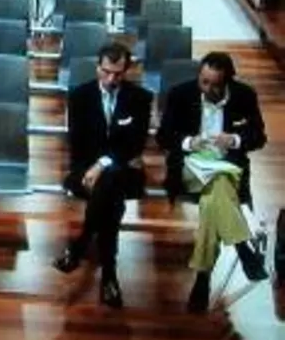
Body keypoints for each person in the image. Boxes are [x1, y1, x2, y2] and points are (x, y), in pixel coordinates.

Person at [157, 52, 268, 314]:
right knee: (219, 187)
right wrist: (188, 142)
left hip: (227, 169)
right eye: (203, 82)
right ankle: (242, 246)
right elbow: (164, 136)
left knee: (213, 197)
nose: (207, 89)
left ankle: (203, 277)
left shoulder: (244, 95)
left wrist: (235, 140)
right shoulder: (180, 94)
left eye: (214, 84)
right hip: (190, 167)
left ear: (227, 81)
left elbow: (258, 136)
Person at [52, 43, 152, 309]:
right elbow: (78, 144)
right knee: (111, 196)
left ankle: (82, 243)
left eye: (117, 74)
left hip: (124, 173)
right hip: (85, 171)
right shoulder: (79, 96)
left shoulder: (140, 98)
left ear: (126, 71)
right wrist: (101, 164)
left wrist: (103, 163)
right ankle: (109, 273)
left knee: (110, 183)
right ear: (97, 67)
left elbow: (135, 145)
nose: (111, 79)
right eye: (106, 72)